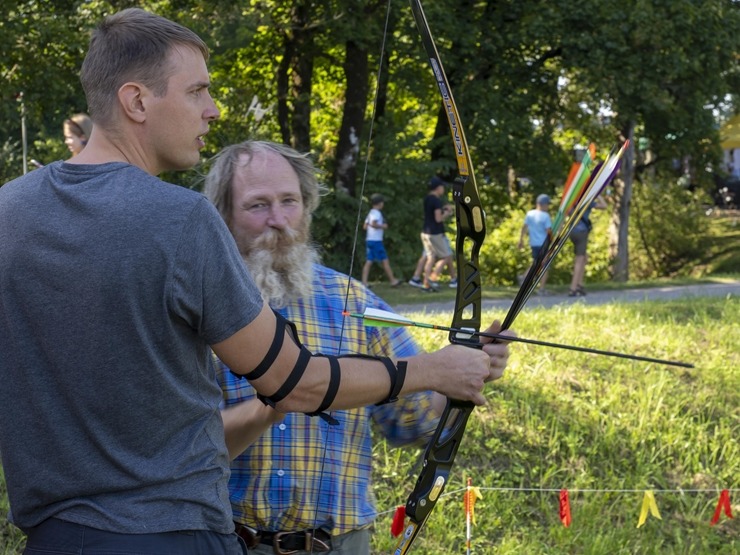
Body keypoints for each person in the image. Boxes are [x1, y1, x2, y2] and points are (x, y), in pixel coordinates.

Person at [0, 9, 508, 555]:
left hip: (52, 538)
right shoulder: (182, 219)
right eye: (196, 91)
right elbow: (298, 385)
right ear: (137, 101)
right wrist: (436, 368)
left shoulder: (10, 210)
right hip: (173, 537)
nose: (212, 111)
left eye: (289, 201)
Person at [203, 140, 515, 555]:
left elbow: (414, 422)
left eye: (290, 201)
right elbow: (185, 450)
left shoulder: (353, 300)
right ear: (222, 216)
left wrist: (465, 369)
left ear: (308, 206)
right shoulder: (199, 303)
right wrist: (287, 393)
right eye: (257, 205)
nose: (279, 220)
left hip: (338, 544)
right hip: (225, 541)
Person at [419, 176, 457, 291]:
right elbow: (438, 219)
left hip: (425, 232)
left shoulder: (428, 198)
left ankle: (426, 284)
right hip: (435, 233)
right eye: (442, 187)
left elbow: (431, 214)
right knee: (446, 256)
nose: (443, 189)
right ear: (437, 188)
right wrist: (448, 212)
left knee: (430, 257)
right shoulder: (436, 200)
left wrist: (442, 209)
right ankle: (433, 278)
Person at [568, 195, 607, 296]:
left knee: (584, 257)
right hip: (581, 232)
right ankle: (573, 288)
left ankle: (580, 285)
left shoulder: (571, 201)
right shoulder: (587, 201)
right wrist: (598, 196)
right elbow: (604, 206)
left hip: (571, 232)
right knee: (579, 259)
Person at [361, 193, 401, 288]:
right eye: (382, 202)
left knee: (369, 261)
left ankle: (364, 282)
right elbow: (373, 224)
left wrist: (372, 225)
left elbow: (365, 226)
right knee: (384, 260)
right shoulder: (377, 213)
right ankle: (393, 281)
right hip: (376, 241)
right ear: (379, 203)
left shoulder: (370, 213)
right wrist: (383, 226)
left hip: (369, 240)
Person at [518, 193, 552, 294]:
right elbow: (548, 231)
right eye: (547, 204)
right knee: (545, 265)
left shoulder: (530, 214)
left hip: (533, 243)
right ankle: (541, 289)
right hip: (543, 244)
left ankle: (524, 277)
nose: (548, 207)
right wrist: (553, 241)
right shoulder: (545, 216)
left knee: (537, 263)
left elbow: (524, 227)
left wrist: (521, 240)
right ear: (543, 204)